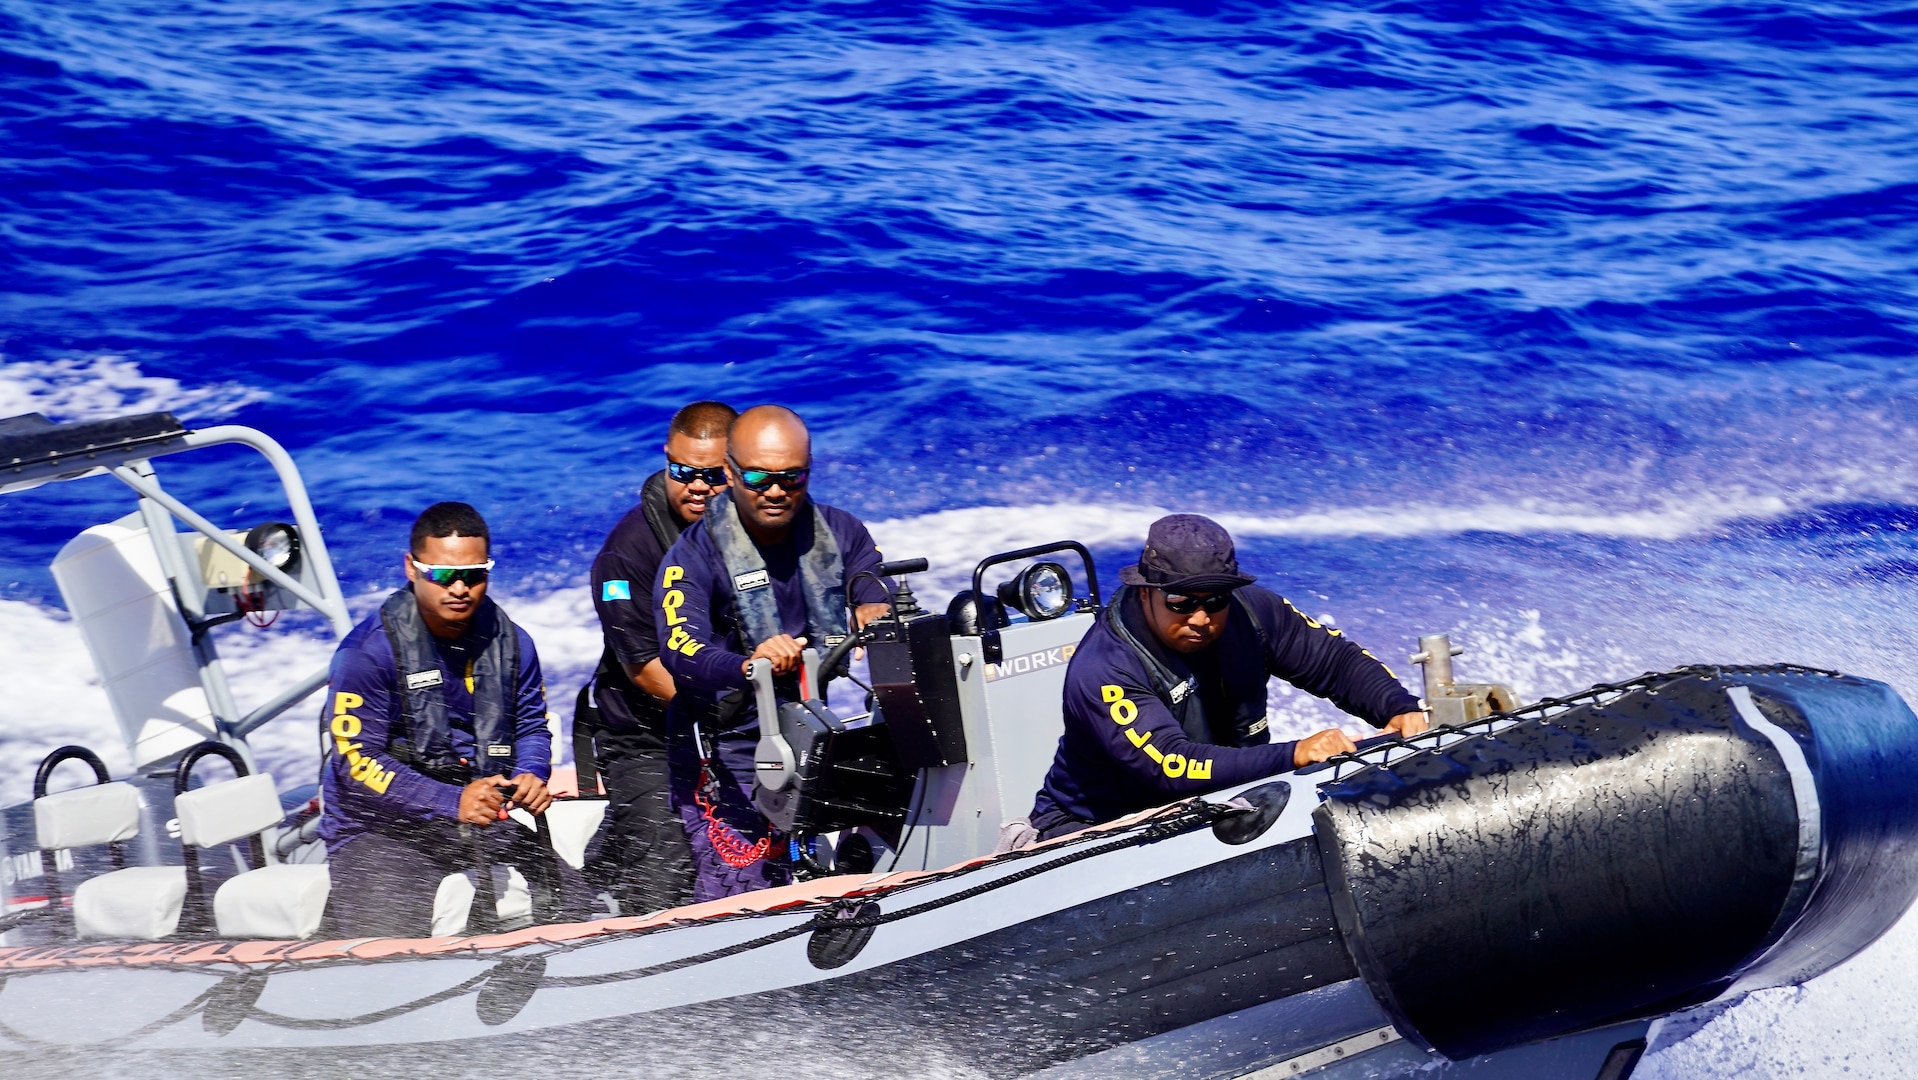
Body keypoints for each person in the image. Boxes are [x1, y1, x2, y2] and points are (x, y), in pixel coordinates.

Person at [1028, 514, 1426, 838]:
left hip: (1222, 805)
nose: (1200, 618)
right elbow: (1171, 764)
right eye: (1180, 602)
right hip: (1094, 828)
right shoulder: (1104, 668)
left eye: (1215, 600)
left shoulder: (1252, 612)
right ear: (1146, 592)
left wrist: (1399, 708)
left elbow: (1334, 661)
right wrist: (1294, 754)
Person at [655, 405, 891, 900]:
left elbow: (871, 580)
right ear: (730, 473)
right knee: (745, 889)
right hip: (727, 752)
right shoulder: (693, 557)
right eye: (760, 477)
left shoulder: (842, 531)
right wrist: (748, 664)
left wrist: (874, 608)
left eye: (792, 478)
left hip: (815, 733)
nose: (777, 491)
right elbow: (680, 649)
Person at [320, 502, 577, 937]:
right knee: (388, 940)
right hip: (380, 831)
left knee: (576, 900)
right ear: (412, 568)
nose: (459, 588)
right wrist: (451, 801)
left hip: (481, 818)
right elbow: (355, 763)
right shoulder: (365, 654)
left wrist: (531, 774)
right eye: (443, 575)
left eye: (473, 575)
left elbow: (532, 726)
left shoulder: (516, 644)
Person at [583, 400, 735, 914]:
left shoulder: (764, 525)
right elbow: (645, 670)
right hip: (647, 737)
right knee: (672, 864)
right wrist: (743, 710)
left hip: (736, 721)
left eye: (713, 475)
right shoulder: (624, 556)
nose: (697, 486)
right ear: (665, 459)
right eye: (683, 472)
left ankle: (606, 858)